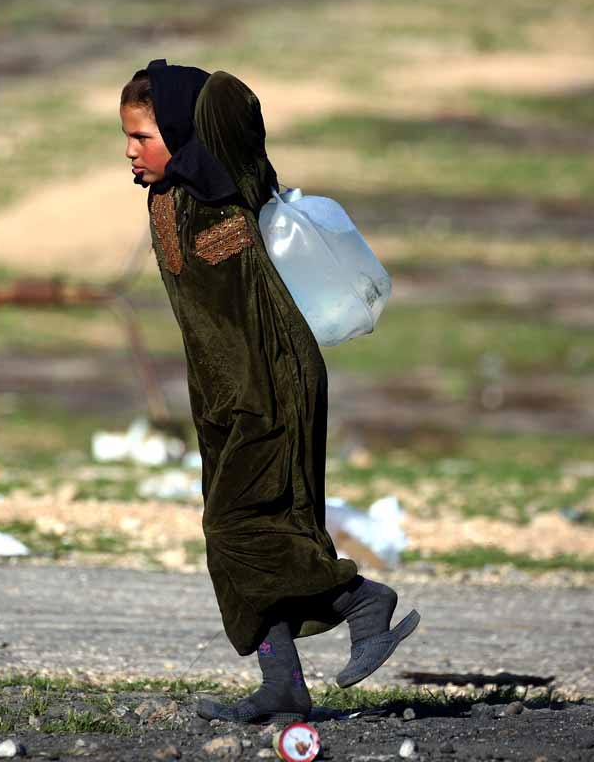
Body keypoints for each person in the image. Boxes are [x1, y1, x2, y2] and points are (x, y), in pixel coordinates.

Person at [120, 59, 420, 723]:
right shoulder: (165, 196)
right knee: (246, 537)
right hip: (221, 392)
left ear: (180, 131)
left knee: (240, 528)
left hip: (272, 381)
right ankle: (282, 683)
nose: (130, 152)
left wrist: (185, 91)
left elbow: (229, 104)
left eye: (142, 136)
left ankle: (361, 600)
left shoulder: (225, 184)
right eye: (126, 138)